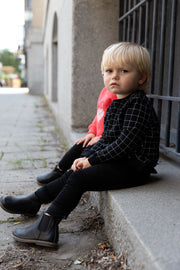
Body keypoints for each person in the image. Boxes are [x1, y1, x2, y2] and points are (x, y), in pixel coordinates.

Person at [0, 42, 160, 248]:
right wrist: (86, 158)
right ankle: (35, 200)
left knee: (80, 177)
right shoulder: (117, 103)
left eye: (124, 71)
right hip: (121, 161)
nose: (115, 76)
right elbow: (107, 139)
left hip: (135, 167)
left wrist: (92, 160)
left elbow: (124, 144)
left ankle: (47, 226)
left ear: (141, 77)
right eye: (109, 71)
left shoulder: (138, 103)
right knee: (74, 170)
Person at [37, 87, 117, 185]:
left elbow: (116, 126)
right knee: (80, 144)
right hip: (98, 137)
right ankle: (58, 170)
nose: (112, 76)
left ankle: (65, 180)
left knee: (84, 155)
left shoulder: (118, 95)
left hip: (107, 140)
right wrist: (91, 132)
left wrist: (102, 137)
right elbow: (99, 116)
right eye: (108, 71)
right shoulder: (105, 91)